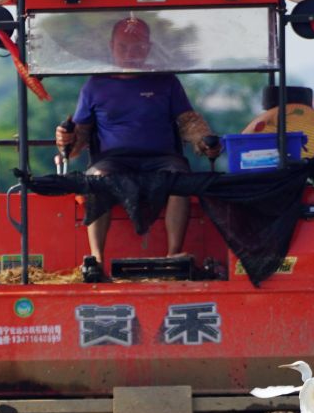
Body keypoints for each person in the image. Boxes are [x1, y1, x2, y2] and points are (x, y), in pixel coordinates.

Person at [54, 17, 221, 282]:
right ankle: (96, 259)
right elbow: (80, 133)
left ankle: (173, 257)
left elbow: (188, 121)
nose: (130, 54)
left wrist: (205, 141)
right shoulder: (95, 85)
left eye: (137, 47)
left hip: (162, 159)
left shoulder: (166, 81)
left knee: (180, 178)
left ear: (148, 47)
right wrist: (66, 138)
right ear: (112, 46)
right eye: (124, 47)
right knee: (94, 180)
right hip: (112, 160)